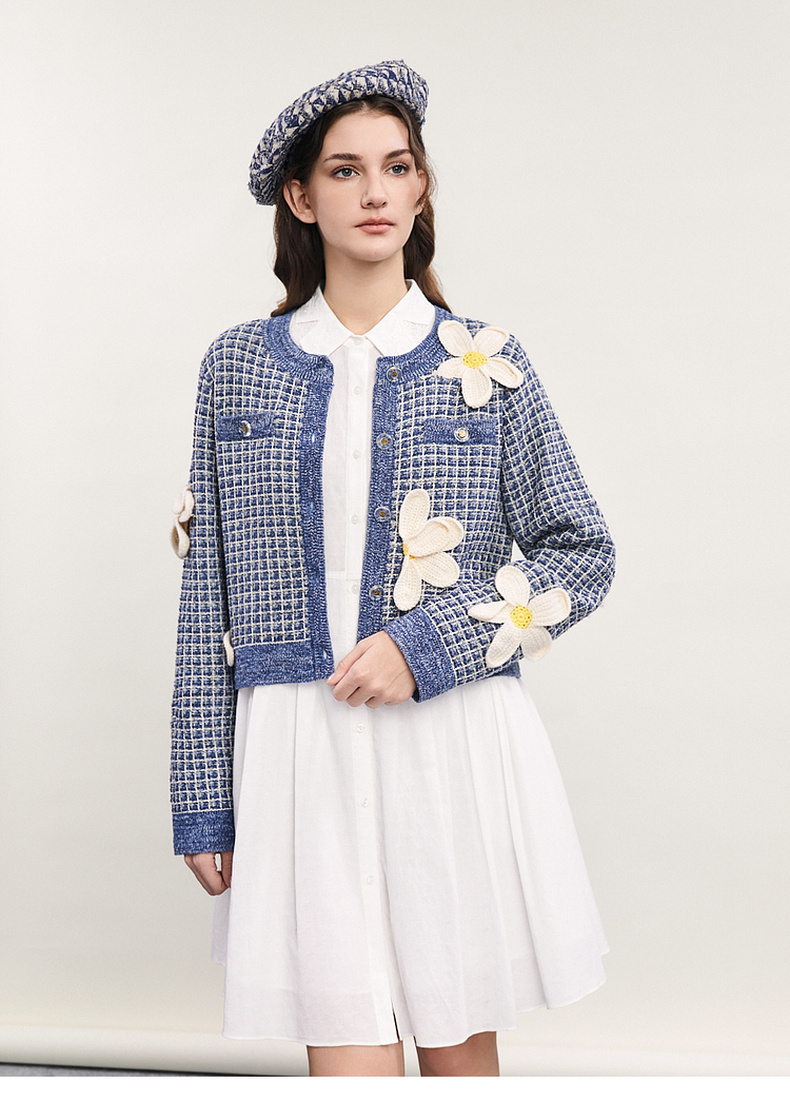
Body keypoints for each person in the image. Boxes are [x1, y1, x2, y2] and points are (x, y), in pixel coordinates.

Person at [170, 59, 615, 1078]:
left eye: (397, 166)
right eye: (345, 170)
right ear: (300, 197)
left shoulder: (486, 360)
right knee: (348, 1063)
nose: (375, 191)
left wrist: (427, 645)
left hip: (449, 742)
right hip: (299, 751)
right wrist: (202, 792)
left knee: (458, 1054)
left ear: (420, 189)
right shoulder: (236, 365)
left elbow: (580, 552)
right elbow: (208, 593)